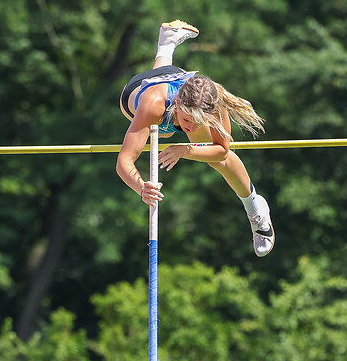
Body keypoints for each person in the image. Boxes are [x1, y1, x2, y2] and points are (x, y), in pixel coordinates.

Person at [116, 20, 275, 257]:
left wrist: (186, 150)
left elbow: (222, 150)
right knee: (165, 130)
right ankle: (166, 47)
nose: (190, 126)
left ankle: (256, 210)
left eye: (197, 121)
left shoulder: (214, 97)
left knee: (216, 158)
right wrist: (142, 188)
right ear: (178, 103)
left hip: (175, 77)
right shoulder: (154, 106)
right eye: (187, 119)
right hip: (137, 94)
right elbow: (124, 162)